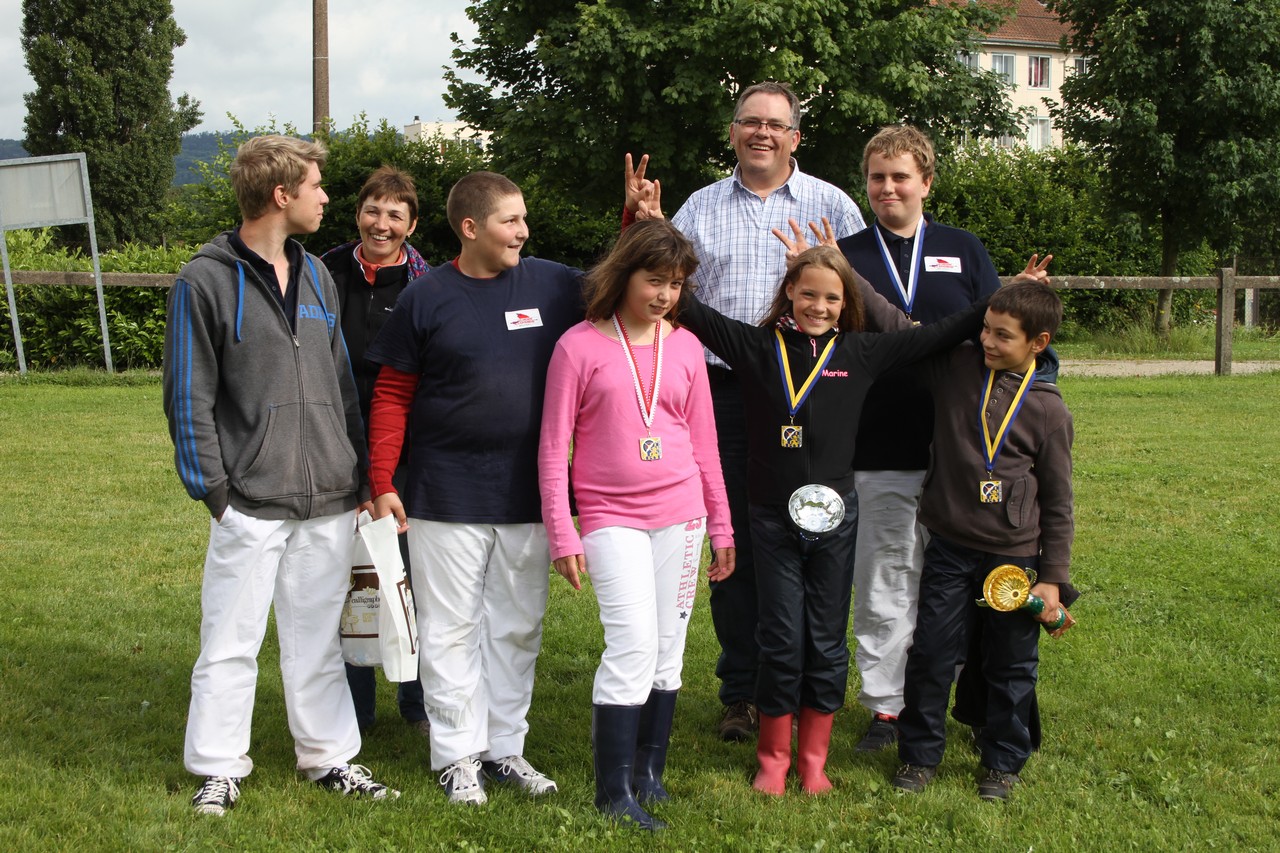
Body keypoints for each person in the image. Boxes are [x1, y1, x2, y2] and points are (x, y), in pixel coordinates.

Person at [674, 245, 991, 795]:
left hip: (835, 522)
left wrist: (1001, 297)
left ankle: (813, 761)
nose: (818, 306)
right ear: (789, 292)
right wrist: (645, 224)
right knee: (778, 635)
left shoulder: (862, 352)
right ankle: (774, 758)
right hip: (772, 518)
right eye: (809, 294)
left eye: (832, 298)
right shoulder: (754, 346)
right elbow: (689, 307)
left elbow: (939, 334)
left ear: (847, 304)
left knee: (824, 640)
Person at [624, 80, 867, 742]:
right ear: (733, 132)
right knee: (733, 546)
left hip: (816, 398)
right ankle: (741, 691)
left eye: (775, 124)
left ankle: (803, 690)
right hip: (725, 397)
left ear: (795, 137)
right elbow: (664, 289)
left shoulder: (835, 207)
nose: (762, 132)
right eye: (750, 122)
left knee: (813, 541)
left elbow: (863, 308)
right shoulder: (700, 208)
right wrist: (646, 224)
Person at [162, 135, 398, 817]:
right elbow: (187, 396)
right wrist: (217, 492)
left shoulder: (320, 277)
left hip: (327, 496)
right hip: (250, 501)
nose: (327, 197)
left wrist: (356, 475)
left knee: (316, 638)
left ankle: (329, 757)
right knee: (230, 641)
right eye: (317, 185)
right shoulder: (202, 280)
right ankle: (217, 766)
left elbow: (343, 386)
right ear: (280, 193)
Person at [364, 171, 581, 805]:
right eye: (510, 220)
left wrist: (636, 221)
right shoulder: (426, 296)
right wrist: (383, 479)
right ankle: (457, 754)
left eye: (523, 219)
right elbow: (392, 394)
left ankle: (505, 748)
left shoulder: (553, 282)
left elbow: (626, 288)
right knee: (450, 628)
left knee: (516, 626)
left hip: (530, 492)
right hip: (444, 493)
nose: (524, 230)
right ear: (470, 228)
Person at [834, 125, 1051, 753]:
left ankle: (947, 697)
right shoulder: (847, 254)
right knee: (886, 577)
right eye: (876, 176)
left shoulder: (963, 247)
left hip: (966, 451)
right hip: (879, 443)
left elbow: (1005, 333)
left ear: (926, 182)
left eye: (900, 176)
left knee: (955, 582)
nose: (887, 187)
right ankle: (885, 707)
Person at [538, 220, 735, 830]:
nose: (665, 296)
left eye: (675, 284)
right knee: (630, 645)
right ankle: (612, 791)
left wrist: (722, 527)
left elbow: (704, 441)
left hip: (683, 518)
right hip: (610, 517)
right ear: (623, 276)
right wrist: (561, 530)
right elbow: (553, 447)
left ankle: (650, 775)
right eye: (654, 281)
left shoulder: (683, 346)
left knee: (668, 653)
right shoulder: (579, 345)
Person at [891, 281, 1073, 801]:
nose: (987, 342)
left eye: (1002, 336)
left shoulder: (1049, 411)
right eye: (985, 330)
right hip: (949, 546)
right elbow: (893, 323)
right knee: (930, 652)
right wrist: (842, 267)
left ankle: (1003, 761)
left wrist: (1055, 581)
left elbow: (1059, 501)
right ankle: (919, 753)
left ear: (1038, 342)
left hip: (1013, 559)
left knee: (1010, 663)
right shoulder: (956, 367)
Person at [321, 165, 431, 738]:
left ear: (411, 225)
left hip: (405, 453)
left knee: (407, 579)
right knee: (349, 580)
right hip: (331, 445)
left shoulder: (426, 285)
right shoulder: (321, 274)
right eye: (372, 210)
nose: (381, 223)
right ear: (357, 213)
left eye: (394, 214)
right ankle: (354, 710)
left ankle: (416, 704)